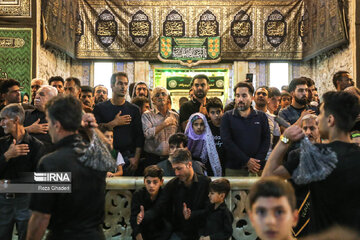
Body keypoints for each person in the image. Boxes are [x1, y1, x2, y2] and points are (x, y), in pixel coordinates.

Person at [262, 91, 360, 234]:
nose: (318, 119)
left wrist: (285, 140)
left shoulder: (316, 155)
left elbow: (267, 178)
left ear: (330, 120)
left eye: (320, 114)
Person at [27, 95, 115, 240]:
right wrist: (90, 128)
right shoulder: (97, 156)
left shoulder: (50, 163)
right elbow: (106, 146)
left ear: (57, 125)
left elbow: (41, 217)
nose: (48, 127)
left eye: (48, 121)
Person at [139, 148, 211, 240]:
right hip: (179, 232)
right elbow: (159, 207)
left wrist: (192, 214)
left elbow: (211, 210)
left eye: (179, 168)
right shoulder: (173, 185)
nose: (176, 173)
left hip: (201, 232)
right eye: (174, 169)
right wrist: (144, 216)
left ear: (189, 164)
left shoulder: (205, 183)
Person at [0, 104, 44, 240]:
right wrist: (7, 156)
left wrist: (10, 184)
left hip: (26, 203)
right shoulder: (1, 144)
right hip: (2, 202)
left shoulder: (36, 146)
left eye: (3, 119)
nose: (1, 123)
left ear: (16, 120)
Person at [93, 72, 144, 175]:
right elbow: (95, 131)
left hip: (128, 157)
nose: (123, 87)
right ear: (112, 85)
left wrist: (136, 158)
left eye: (125, 84)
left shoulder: (133, 109)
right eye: (120, 83)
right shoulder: (100, 108)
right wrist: (113, 123)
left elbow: (139, 136)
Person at [221, 82, 270, 176]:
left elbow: (266, 140)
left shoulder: (261, 117)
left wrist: (256, 162)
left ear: (251, 98)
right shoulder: (227, 117)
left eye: (244, 96)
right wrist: (246, 161)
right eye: (237, 96)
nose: (240, 99)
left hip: (256, 168)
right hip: (234, 168)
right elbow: (227, 142)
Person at [130, 165, 171, 240]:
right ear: (144, 181)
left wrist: (144, 216)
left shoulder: (164, 195)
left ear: (161, 182)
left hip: (160, 234)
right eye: (148, 182)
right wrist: (138, 235)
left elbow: (167, 222)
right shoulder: (138, 194)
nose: (151, 186)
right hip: (142, 233)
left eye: (155, 182)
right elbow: (133, 219)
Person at [142, 87, 179, 167]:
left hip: (171, 157)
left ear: (167, 98)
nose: (161, 97)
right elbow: (147, 134)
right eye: (157, 95)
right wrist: (163, 124)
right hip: (152, 158)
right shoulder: (147, 115)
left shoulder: (175, 116)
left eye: (163, 94)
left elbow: (179, 135)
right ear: (152, 100)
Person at [24, 86, 58, 151]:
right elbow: (11, 133)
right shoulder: (25, 114)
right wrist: (29, 129)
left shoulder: (58, 118)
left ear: (52, 99)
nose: (37, 97)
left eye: (41, 95)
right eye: (36, 94)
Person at [206, 97, 226, 174]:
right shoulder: (206, 127)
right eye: (213, 113)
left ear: (223, 111)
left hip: (226, 164)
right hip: (210, 165)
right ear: (208, 114)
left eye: (218, 112)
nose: (216, 115)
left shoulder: (228, 125)